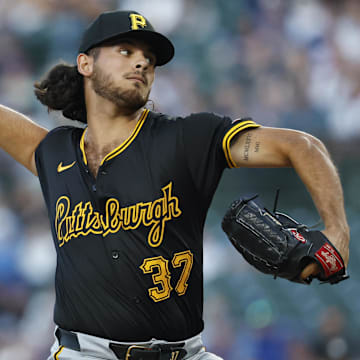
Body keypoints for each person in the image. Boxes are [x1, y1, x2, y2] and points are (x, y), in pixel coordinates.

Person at [0, 10, 350, 360]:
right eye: (126, 51)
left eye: (149, 59)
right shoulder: (55, 153)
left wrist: (338, 230)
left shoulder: (187, 139)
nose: (141, 63)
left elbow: (302, 146)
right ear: (85, 64)